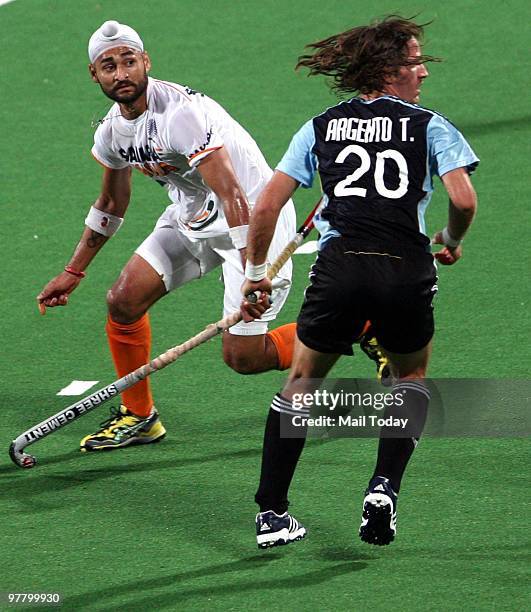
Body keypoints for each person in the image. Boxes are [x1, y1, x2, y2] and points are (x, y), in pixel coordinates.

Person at [36, 20, 388, 452]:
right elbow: (111, 203)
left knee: (244, 357)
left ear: (146, 61)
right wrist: (73, 271)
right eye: (109, 65)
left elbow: (233, 194)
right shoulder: (111, 131)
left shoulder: (180, 115)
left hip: (255, 223)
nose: (121, 73)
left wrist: (255, 271)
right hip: (192, 218)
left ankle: (362, 324)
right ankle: (140, 417)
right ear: (95, 74)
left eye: (129, 61)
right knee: (123, 301)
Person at [241, 16, 478, 548]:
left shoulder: (321, 124)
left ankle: (272, 513)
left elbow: (267, 205)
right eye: (416, 62)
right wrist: (451, 236)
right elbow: (462, 199)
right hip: (406, 268)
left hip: (339, 267)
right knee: (409, 380)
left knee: (301, 386)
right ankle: (383, 487)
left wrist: (255, 275)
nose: (423, 73)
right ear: (391, 69)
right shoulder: (430, 124)